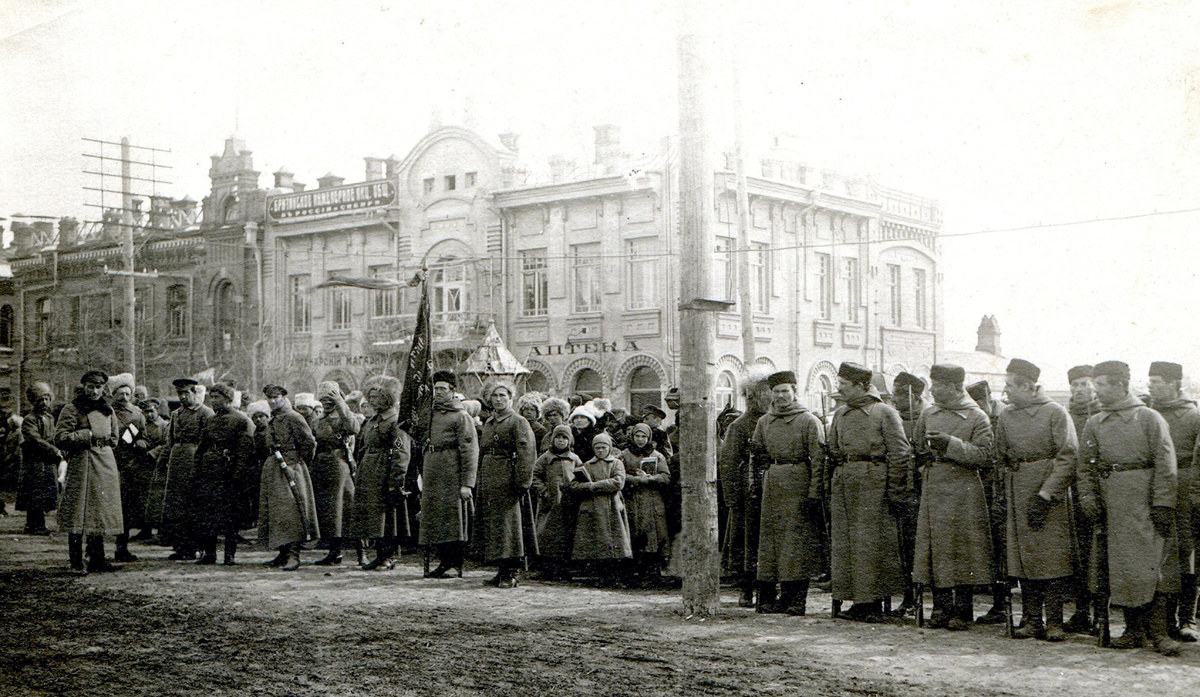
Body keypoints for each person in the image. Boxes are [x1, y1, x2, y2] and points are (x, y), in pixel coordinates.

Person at [1078, 360, 1180, 656]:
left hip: (1144, 504)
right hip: (1111, 505)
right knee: (1119, 567)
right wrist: (1089, 499)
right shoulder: (1094, 423)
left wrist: (1162, 503)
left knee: (1151, 565)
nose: (1096, 391)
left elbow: (1166, 464)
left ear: (1121, 385)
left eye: (1101, 385)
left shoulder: (1148, 418)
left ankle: (1158, 632)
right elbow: (1084, 468)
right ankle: (1133, 629)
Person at [993, 359, 1078, 641]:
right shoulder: (1005, 416)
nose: (1006, 390)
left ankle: (1054, 622)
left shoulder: (1055, 412)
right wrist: (1002, 494)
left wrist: (1046, 494)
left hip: (1048, 494)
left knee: (1051, 558)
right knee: (1023, 558)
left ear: (1028, 387)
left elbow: (1068, 457)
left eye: (1010, 385)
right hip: (1017, 490)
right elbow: (1000, 457)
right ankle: (1031, 620)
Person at [912, 363, 995, 631]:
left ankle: (962, 610)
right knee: (937, 547)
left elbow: (984, 456)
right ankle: (941, 606)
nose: (932, 390)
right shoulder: (928, 413)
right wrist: (926, 464)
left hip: (964, 489)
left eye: (937, 385)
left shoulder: (977, 416)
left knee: (963, 547)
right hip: (935, 487)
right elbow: (917, 447)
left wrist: (950, 444)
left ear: (954, 386)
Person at [827, 362, 911, 624]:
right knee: (845, 543)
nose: (839, 389)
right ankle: (853, 599)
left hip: (873, 484)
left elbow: (900, 453)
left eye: (844, 385)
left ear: (861, 386)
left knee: (871, 544)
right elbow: (833, 449)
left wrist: (895, 490)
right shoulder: (840, 414)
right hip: (844, 483)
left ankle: (871, 603)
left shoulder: (884, 412)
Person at [752, 370, 827, 615]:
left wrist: (815, 492)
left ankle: (796, 599)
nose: (781, 396)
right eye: (776, 391)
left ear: (795, 392)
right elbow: (757, 454)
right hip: (772, 484)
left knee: (796, 543)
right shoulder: (764, 421)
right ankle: (770, 599)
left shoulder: (808, 421)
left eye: (785, 391)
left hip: (798, 483)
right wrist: (758, 484)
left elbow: (819, 460)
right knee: (770, 542)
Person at [1147, 361, 1199, 642]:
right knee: (1158, 555)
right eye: (1150, 381)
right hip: (1153, 491)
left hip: (1185, 492)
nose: (1151, 387)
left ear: (1174, 384)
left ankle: (1187, 618)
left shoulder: (1193, 416)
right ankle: (1162, 620)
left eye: (1157, 381)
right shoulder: (1146, 413)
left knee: (1186, 555)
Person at [55, 371, 124, 573]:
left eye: (98, 387)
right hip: (82, 463)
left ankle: (97, 558)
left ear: (104, 388)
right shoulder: (72, 409)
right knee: (79, 511)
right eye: (90, 387)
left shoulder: (107, 409)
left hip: (105, 463)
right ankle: (76, 560)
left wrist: (105, 443)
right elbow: (60, 437)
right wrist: (86, 436)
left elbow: (114, 438)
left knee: (100, 510)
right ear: (84, 387)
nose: (94, 391)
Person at [472, 380, 536, 588]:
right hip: (490, 479)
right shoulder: (490, 422)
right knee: (495, 525)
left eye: (503, 396)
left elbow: (527, 453)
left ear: (511, 398)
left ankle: (512, 571)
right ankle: (501, 570)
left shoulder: (518, 421)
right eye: (495, 396)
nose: (498, 400)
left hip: (508, 479)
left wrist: (522, 481)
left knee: (510, 525)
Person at [717, 367, 773, 607]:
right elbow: (728, 462)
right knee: (747, 543)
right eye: (761, 394)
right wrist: (732, 497)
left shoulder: (774, 422)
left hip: (772, 491)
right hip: (748, 494)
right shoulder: (739, 426)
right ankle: (746, 588)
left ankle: (769, 589)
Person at [347, 376, 410, 570]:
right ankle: (379, 554)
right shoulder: (373, 420)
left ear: (388, 398)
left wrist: (396, 478)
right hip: (369, 473)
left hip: (384, 472)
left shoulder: (396, 421)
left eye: (377, 397)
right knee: (373, 517)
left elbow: (401, 451)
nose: (372, 401)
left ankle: (388, 556)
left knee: (386, 517)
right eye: (371, 396)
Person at [420, 370, 479, 578]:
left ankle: (454, 562)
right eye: (435, 388)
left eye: (442, 389)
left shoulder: (461, 416)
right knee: (435, 517)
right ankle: (443, 561)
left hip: (451, 471)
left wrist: (467, 483)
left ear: (452, 391)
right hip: (432, 470)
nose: (438, 392)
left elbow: (470, 450)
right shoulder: (430, 414)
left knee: (452, 518)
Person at [190, 382, 256, 565]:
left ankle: (229, 554)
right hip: (209, 474)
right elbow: (202, 448)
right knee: (208, 515)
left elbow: (245, 451)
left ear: (228, 399)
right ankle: (210, 554)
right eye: (211, 397)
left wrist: (237, 475)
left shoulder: (241, 420)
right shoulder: (210, 420)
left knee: (230, 517)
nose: (213, 401)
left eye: (217, 397)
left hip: (229, 475)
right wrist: (197, 470)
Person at [258, 384, 319, 571]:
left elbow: (309, 443)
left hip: (291, 468)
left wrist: (296, 463)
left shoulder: (294, 417)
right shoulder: (274, 418)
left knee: (292, 510)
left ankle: (294, 555)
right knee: (277, 511)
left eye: (275, 397)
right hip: (274, 468)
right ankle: (283, 553)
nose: (272, 401)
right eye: (269, 398)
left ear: (284, 397)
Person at [156, 378, 214, 561]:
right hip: (177, 461)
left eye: (186, 393)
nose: (182, 397)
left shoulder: (205, 413)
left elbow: (209, 441)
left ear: (194, 393)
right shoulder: (176, 414)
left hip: (194, 459)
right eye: (179, 393)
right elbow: (170, 441)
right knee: (176, 505)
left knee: (194, 505)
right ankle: (181, 547)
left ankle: (196, 547)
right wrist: (162, 460)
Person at [1064, 364, 1101, 634]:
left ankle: (1101, 613)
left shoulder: (1102, 415)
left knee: (1099, 554)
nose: (1079, 390)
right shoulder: (1065, 416)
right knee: (1078, 552)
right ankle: (1081, 611)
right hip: (1072, 492)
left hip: (1100, 491)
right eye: (1075, 385)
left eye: (1085, 385)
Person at [569, 432, 633, 580]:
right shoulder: (587, 465)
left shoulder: (616, 463)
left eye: (604, 447)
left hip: (612, 506)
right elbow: (574, 485)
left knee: (614, 539)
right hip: (592, 507)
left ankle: (614, 572)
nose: (600, 450)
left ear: (609, 448)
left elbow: (618, 482)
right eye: (597, 447)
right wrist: (588, 486)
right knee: (594, 539)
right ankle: (597, 571)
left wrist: (595, 485)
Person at [308, 381, 359, 566]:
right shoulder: (318, 420)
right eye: (323, 400)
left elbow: (354, 428)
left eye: (330, 399)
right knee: (328, 511)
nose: (326, 403)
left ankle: (359, 551)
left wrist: (341, 404)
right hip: (322, 465)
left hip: (339, 464)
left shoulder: (345, 416)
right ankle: (334, 551)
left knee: (344, 507)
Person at [889, 371, 926, 617]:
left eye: (900, 394)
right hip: (901, 489)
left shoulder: (927, 417)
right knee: (905, 546)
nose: (895, 399)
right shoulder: (895, 418)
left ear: (914, 396)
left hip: (923, 490)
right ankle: (909, 597)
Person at [620, 423, 671, 585]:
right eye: (637, 436)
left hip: (652, 500)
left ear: (649, 438)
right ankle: (631, 572)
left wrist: (649, 478)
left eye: (644, 437)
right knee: (632, 532)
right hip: (631, 499)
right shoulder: (624, 454)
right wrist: (635, 479)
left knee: (652, 534)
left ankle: (651, 572)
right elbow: (619, 474)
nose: (640, 440)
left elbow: (666, 476)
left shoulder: (657, 455)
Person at [532, 424, 580, 580]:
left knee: (566, 535)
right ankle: (547, 569)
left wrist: (576, 489)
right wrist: (544, 491)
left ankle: (564, 569)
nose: (561, 441)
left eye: (565, 438)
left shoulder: (574, 459)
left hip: (569, 503)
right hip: (549, 503)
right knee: (547, 534)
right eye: (558, 437)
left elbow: (582, 475)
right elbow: (535, 476)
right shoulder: (545, 458)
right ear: (552, 440)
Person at [107, 373, 146, 563]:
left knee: (127, 507)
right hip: (109, 461)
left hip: (130, 464)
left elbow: (143, 435)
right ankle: (95, 549)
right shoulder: (106, 411)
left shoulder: (137, 413)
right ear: (113, 394)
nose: (124, 397)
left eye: (127, 394)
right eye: (120, 394)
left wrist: (141, 442)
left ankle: (122, 547)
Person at [17, 382, 60, 536]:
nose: (44, 403)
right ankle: (34, 524)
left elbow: (53, 436)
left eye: (47, 399)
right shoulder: (30, 419)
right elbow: (35, 439)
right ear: (33, 401)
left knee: (45, 492)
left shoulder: (49, 418)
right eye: (40, 399)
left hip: (47, 461)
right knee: (35, 493)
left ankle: (37, 523)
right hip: (34, 462)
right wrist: (53, 450)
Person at [133, 397, 170, 542]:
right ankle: (145, 530)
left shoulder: (165, 426)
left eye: (151, 411)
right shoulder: (138, 425)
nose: (149, 415)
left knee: (159, 498)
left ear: (157, 410)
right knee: (143, 498)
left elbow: (167, 444)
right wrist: (137, 441)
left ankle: (162, 531)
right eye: (145, 412)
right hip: (142, 466)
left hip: (158, 465)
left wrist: (152, 453)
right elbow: (126, 439)